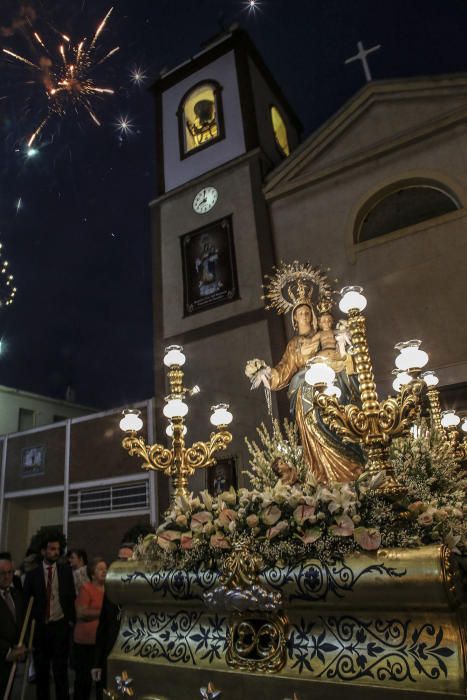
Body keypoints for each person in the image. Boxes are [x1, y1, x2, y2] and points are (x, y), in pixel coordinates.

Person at [250, 300, 363, 483]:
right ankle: (322, 477)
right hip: (303, 392)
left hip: (328, 387)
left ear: (313, 315)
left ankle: (350, 472)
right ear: (294, 317)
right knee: (312, 429)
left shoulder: (324, 334)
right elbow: (283, 369)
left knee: (333, 424)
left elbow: (339, 356)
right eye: (299, 312)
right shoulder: (294, 345)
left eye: (307, 312)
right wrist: (264, 372)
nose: (304, 315)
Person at [23, 536, 76, 700]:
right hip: (40, 629)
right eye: (52, 549)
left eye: (58, 549)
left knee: (61, 672)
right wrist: (27, 635)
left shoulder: (65, 572)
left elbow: (71, 597)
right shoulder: (32, 575)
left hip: (60, 626)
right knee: (42, 673)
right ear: (43, 551)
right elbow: (26, 605)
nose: (56, 552)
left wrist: (70, 621)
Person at [92, 543, 134, 697]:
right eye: (120, 559)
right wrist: (97, 664)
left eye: (127, 560)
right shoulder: (110, 589)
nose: (122, 564)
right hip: (109, 655)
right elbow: (102, 628)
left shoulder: (140, 592)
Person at [73, 558, 107, 700]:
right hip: (85, 642)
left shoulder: (110, 589)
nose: (104, 571)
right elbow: (81, 613)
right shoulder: (86, 588)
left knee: (102, 680)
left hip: (102, 642)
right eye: (100, 569)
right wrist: (104, 613)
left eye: (105, 568)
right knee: (84, 681)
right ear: (92, 574)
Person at [0, 555, 26, 698]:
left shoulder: (16, 594)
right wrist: (7, 652)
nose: (7, 577)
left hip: (12, 660)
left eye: (10, 572)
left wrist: (23, 645)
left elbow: (20, 623)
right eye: (2, 573)